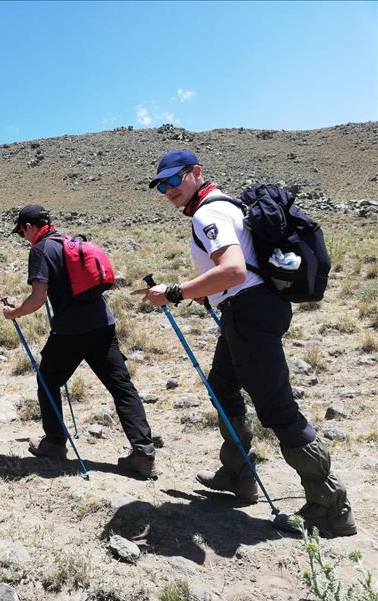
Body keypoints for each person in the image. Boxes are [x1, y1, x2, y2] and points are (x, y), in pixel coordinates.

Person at [136, 149, 356, 537]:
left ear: (196, 173)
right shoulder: (225, 207)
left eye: (174, 180)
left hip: (250, 315)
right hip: (250, 310)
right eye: (162, 185)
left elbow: (234, 270)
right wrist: (210, 293)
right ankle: (238, 476)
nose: (168, 190)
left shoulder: (208, 213)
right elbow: (240, 270)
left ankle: (331, 507)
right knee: (222, 385)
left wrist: (175, 291)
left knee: (278, 410)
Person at [2, 205, 158, 478]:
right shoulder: (69, 241)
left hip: (70, 331)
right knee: (121, 386)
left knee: (47, 381)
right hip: (103, 323)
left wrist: (14, 312)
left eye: (21, 232)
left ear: (29, 226)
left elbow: (38, 297)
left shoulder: (41, 249)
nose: (23, 237)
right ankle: (143, 451)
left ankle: (54, 443)